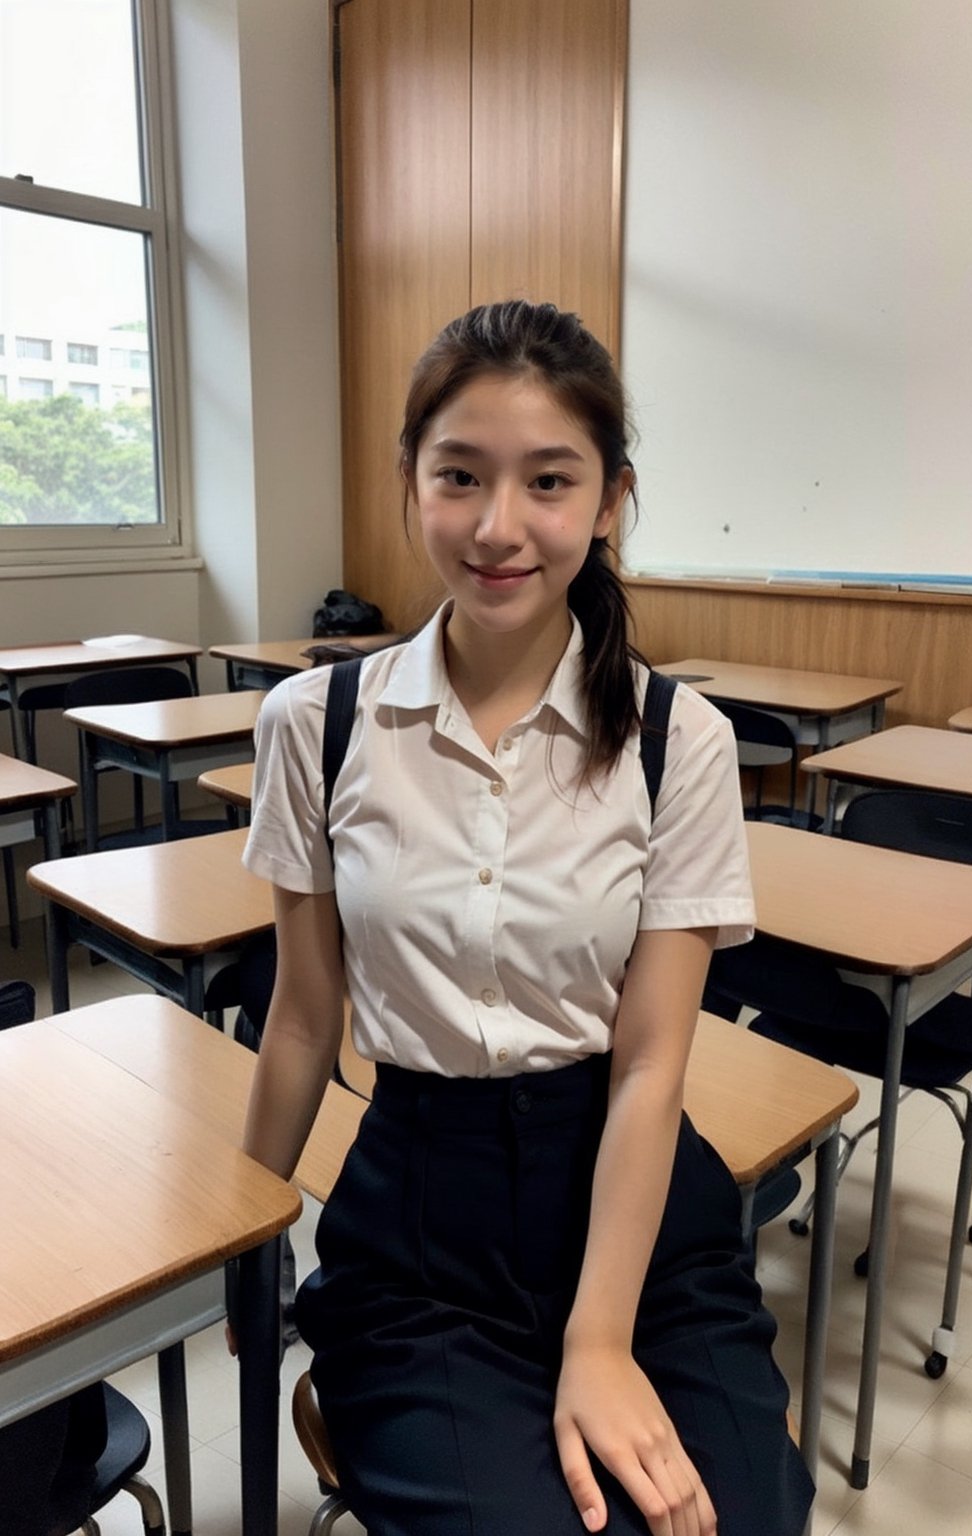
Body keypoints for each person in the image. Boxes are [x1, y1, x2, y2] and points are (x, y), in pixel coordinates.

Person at [240, 299, 814, 1536]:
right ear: (411, 483)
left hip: (633, 1206)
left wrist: (598, 1342)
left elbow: (654, 1059)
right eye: (459, 476)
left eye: (548, 481)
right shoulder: (315, 725)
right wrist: (232, 1242)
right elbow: (301, 1021)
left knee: (747, 1520)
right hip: (419, 1236)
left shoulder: (678, 742)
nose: (499, 528)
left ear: (608, 498)